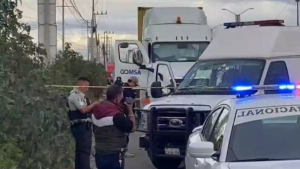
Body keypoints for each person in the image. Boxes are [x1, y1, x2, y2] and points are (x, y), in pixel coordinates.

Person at [92, 85, 137, 169]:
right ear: (118, 96)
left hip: (99, 152)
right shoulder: (116, 115)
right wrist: (130, 110)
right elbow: (132, 128)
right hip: (114, 153)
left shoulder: (96, 110)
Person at [67, 77, 100, 169]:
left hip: (84, 127)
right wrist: (95, 104)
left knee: (82, 152)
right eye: (86, 86)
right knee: (84, 152)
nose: (87, 88)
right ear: (80, 85)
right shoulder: (75, 95)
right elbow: (83, 110)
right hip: (80, 127)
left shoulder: (81, 96)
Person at [122, 76, 139, 158]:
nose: (135, 86)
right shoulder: (127, 90)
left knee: (126, 133)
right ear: (132, 82)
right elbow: (129, 101)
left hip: (124, 113)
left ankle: (124, 149)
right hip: (126, 113)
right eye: (135, 84)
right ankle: (124, 150)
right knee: (126, 132)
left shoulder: (125, 88)